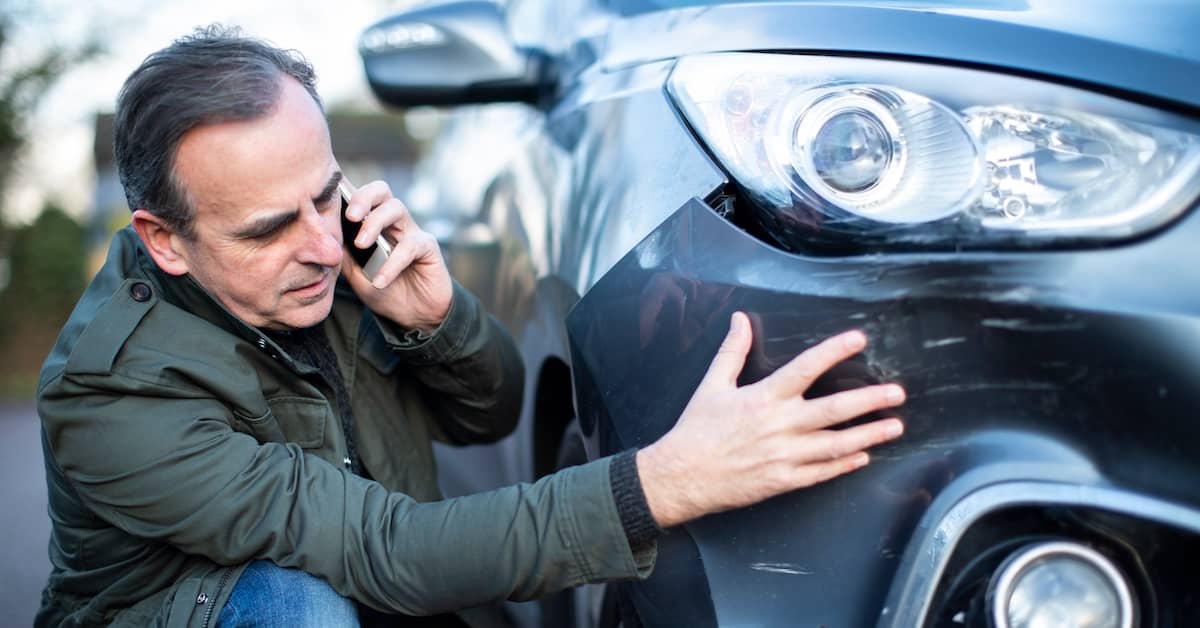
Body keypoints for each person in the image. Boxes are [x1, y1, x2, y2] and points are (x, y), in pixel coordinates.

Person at [35, 26, 906, 627]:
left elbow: (489, 415)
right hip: (263, 609)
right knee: (294, 603)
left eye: (327, 194)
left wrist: (436, 322)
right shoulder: (112, 394)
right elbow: (387, 549)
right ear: (165, 241)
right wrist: (663, 484)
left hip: (376, 593)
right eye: (267, 228)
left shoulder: (336, 265)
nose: (317, 246)